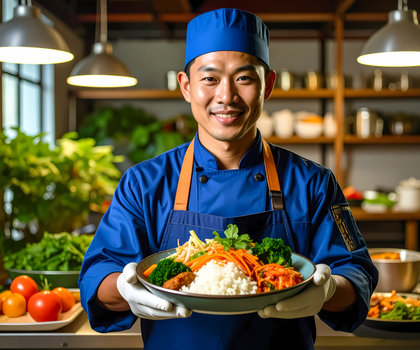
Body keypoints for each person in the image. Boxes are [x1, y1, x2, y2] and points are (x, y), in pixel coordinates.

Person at [79, 8, 378, 350]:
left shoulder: (313, 182)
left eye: (244, 78)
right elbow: (96, 275)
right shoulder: (144, 182)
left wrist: (327, 290)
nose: (226, 96)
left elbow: (357, 274)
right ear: (186, 86)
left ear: (268, 86)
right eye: (209, 79)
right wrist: (124, 289)